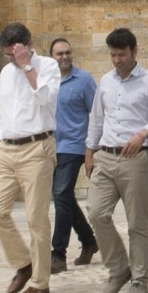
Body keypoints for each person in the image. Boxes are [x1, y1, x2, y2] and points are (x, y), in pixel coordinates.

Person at [85, 28, 148, 293]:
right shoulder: (105, 82)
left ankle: (139, 281)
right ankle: (119, 268)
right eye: (112, 55)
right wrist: (90, 151)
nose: (117, 60)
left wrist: (142, 133)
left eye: (122, 54)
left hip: (136, 158)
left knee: (136, 223)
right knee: (96, 213)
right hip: (105, 156)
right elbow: (97, 118)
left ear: (135, 51)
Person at [0, 22, 60, 293]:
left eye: (13, 53)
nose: (11, 60)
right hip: (7, 149)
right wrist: (0, 137)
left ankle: (41, 282)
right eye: (8, 55)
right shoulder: (5, 72)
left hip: (36, 148)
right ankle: (24, 263)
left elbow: (47, 98)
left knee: (36, 219)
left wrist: (28, 67)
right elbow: (4, 109)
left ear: (27, 44)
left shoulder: (48, 66)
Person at [48, 38, 99, 274]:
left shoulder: (84, 80)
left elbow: (98, 113)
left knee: (60, 195)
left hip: (75, 146)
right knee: (64, 196)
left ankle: (58, 254)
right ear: (52, 56)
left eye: (68, 52)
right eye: (60, 53)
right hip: (51, 147)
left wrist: (92, 149)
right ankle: (89, 240)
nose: (65, 57)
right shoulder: (46, 81)